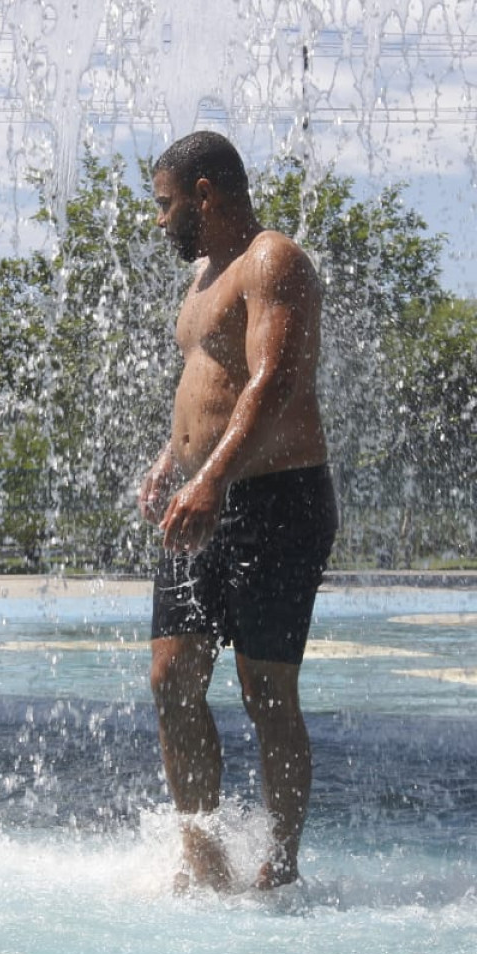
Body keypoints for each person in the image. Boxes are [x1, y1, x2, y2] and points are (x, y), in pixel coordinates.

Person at [139, 131, 338, 892]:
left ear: (206, 194)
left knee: (265, 691)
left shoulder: (273, 261)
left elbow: (273, 382)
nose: (160, 222)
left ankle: (279, 864)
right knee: (171, 676)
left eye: (165, 205)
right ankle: (205, 857)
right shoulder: (200, 278)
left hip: (274, 499)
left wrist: (212, 478)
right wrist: (174, 457)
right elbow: (208, 382)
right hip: (205, 496)